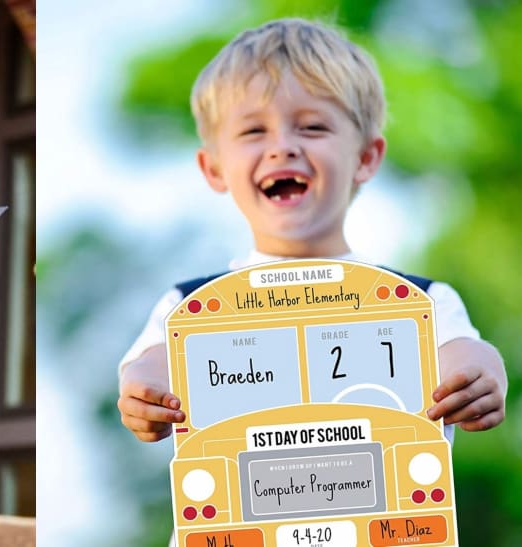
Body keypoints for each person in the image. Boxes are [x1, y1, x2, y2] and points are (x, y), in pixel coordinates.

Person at [117, 19, 507, 448]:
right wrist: (144, 391)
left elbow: (464, 354)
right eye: (253, 130)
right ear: (213, 168)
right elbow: (149, 368)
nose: (282, 146)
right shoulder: (188, 308)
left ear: (365, 157)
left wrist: (480, 373)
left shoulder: (421, 301)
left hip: (388, 514)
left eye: (312, 127)